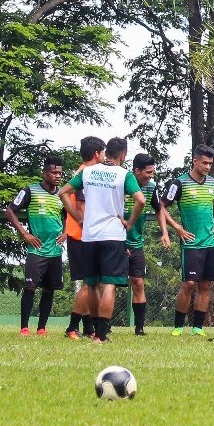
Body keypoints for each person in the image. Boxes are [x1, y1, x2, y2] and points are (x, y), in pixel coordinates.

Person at [59, 137, 145, 343]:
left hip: (89, 235)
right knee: (109, 285)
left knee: (91, 283)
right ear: (123, 155)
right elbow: (140, 200)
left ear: (105, 153)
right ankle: (101, 335)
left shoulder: (87, 172)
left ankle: (95, 330)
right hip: (113, 235)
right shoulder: (124, 174)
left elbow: (63, 192)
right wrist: (129, 222)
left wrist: (78, 218)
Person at [162, 145, 214, 336]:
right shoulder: (178, 183)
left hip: (211, 243)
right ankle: (179, 326)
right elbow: (162, 207)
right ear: (194, 161)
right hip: (190, 243)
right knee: (189, 284)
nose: (207, 167)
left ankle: (198, 327)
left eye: (210, 164)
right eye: (204, 163)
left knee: (206, 285)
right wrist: (177, 228)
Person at [5, 156, 66, 336]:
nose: (57, 176)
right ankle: (24, 327)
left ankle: (41, 328)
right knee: (30, 288)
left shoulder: (63, 193)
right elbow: (10, 211)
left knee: (49, 289)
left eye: (60, 173)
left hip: (55, 250)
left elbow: (68, 215)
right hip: (37, 249)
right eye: (54, 172)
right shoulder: (30, 191)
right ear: (44, 173)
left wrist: (66, 232)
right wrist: (25, 234)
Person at [63, 136, 105, 339]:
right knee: (90, 284)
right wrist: (84, 223)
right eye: (103, 152)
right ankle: (72, 327)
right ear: (96, 154)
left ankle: (89, 328)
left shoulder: (82, 172)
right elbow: (80, 205)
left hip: (81, 234)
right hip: (82, 236)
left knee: (93, 283)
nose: (104, 156)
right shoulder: (86, 174)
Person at [127, 153, 167, 336]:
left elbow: (159, 210)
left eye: (153, 172)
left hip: (136, 243)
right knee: (107, 283)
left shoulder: (151, 187)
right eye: (148, 172)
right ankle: (103, 325)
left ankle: (139, 327)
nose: (151, 176)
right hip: (115, 242)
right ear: (136, 171)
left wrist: (164, 233)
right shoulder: (123, 184)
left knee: (138, 282)